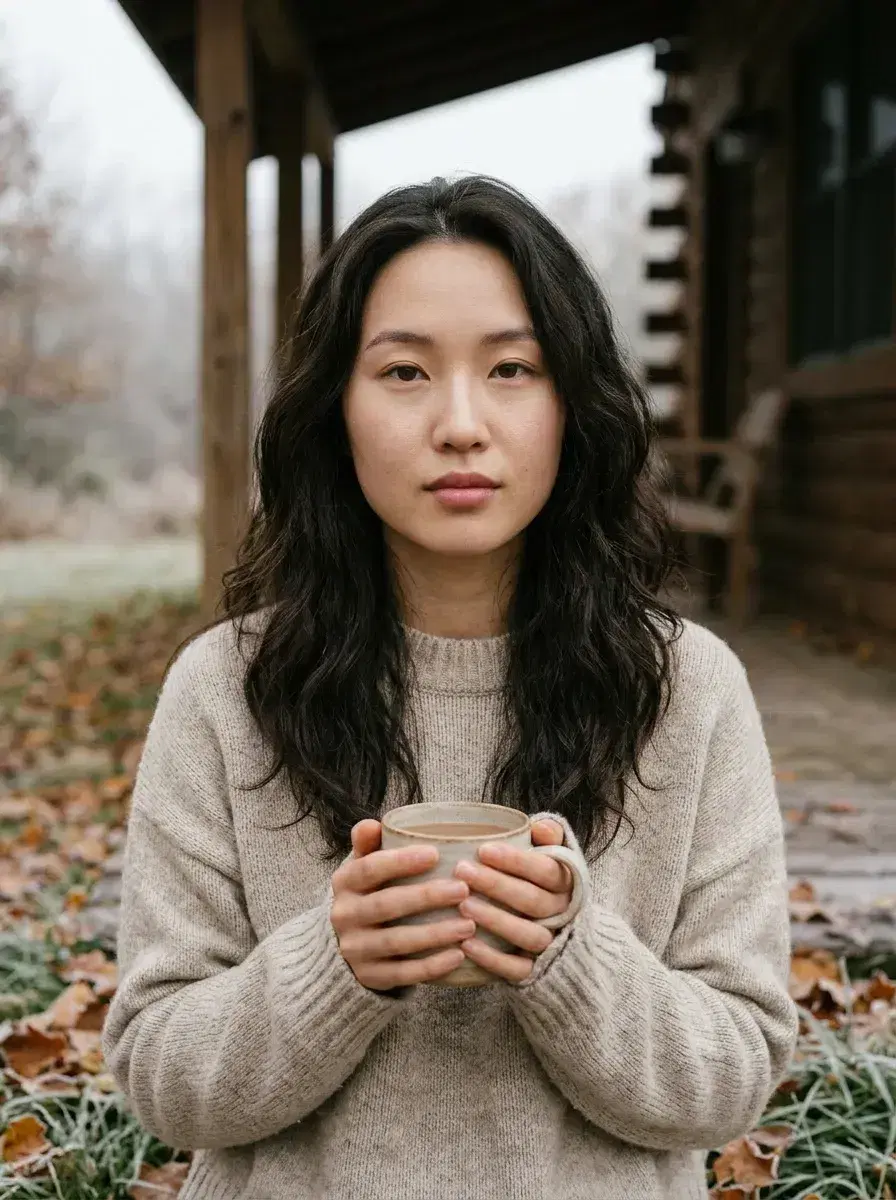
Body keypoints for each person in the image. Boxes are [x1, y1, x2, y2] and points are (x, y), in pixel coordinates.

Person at [102, 175, 798, 1200]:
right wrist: (334, 965)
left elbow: (733, 1076)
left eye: (512, 368)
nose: (461, 424)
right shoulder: (224, 691)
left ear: (572, 404)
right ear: (334, 407)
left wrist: (572, 959)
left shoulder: (687, 692)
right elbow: (163, 1080)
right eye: (404, 373)